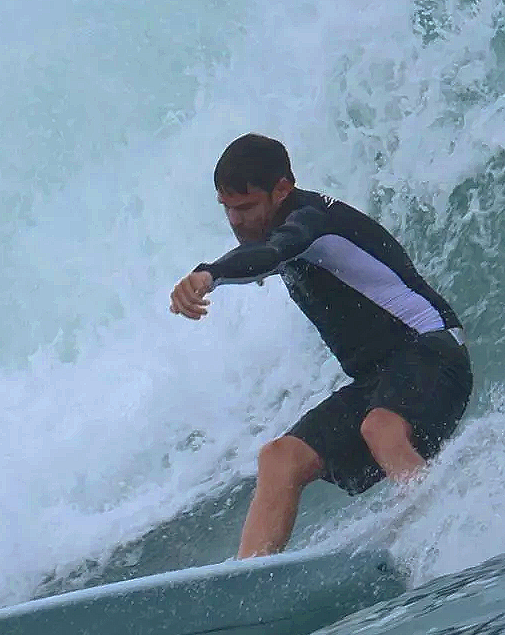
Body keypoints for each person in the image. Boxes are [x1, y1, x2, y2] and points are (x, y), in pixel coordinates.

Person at [169, 133, 472, 557]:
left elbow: (275, 252)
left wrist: (208, 275)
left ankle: (456, 529)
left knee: (380, 428)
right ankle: (245, 580)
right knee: (279, 459)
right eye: (228, 210)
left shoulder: (309, 221)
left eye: (246, 207)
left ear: (282, 189)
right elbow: (260, 257)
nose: (236, 222)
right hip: (378, 378)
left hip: (434, 349)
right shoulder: (277, 232)